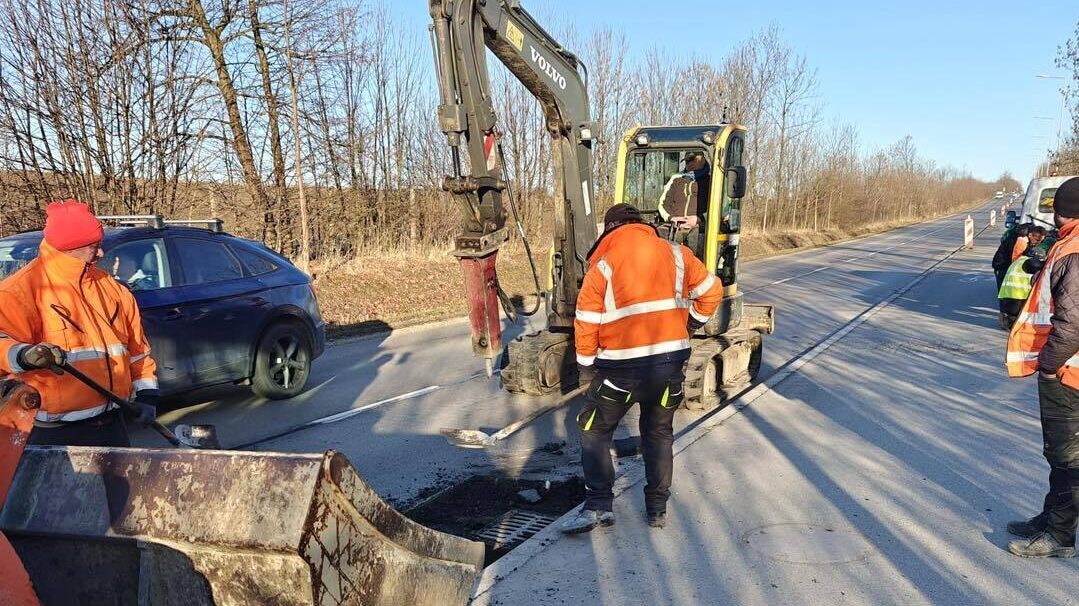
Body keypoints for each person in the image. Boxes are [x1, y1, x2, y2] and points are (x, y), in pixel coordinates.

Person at [562, 203, 724, 533]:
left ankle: (599, 506)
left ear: (610, 229)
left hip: (620, 371)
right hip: (669, 366)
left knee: (594, 429)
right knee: (659, 432)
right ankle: (657, 510)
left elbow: (587, 320)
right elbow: (712, 292)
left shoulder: (603, 264)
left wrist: (587, 366)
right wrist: (691, 324)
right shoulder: (677, 253)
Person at [0, 200, 158, 447]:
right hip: (55, 435)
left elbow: (137, 350)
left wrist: (147, 395)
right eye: (94, 247)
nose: (101, 253)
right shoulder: (20, 293)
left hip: (111, 424)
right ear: (71, 248)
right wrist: (23, 355)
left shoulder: (112, 290)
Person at [1006, 176, 1079, 558]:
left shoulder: (1074, 249)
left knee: (1066, 456)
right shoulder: (1067, 244)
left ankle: (1060, 536)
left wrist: (1048, 366)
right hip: (1068, 370)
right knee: (1061, 454)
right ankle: (1051, 519)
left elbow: (1073, 322)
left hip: (1067, 373)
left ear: (1060, 210)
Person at [994, 223, 1031, 290]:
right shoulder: (1019, 241)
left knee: (1004, 288)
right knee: (1004, 289)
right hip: (1002, 266)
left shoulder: (1012, 235)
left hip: (1000, 264)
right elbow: (1015, 258)